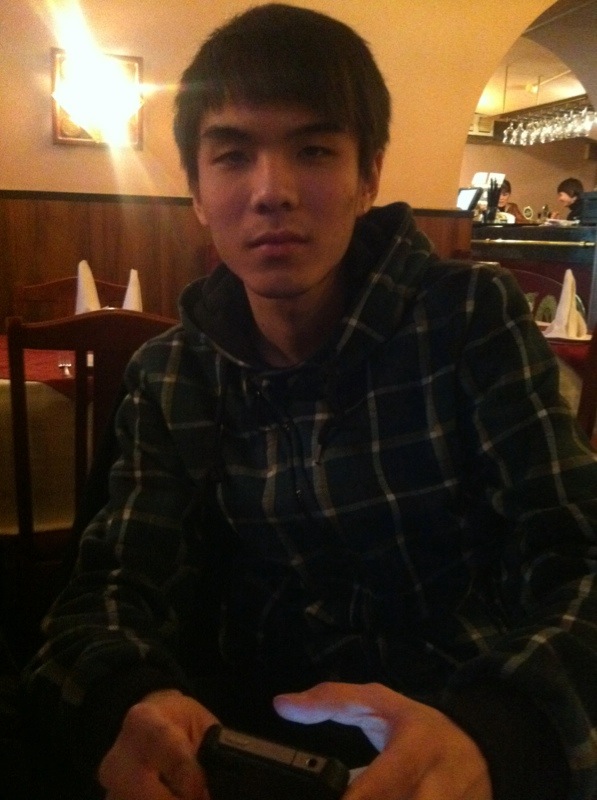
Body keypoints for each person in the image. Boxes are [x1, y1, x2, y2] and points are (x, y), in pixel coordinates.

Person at [22, 5, 597, 800]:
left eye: (315, 150)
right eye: (232, 155)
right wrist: (128, 702)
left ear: (368, 176)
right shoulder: (172, 374)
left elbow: (575, 553)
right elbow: (111, 590)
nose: (272, 192)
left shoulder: (467, 318)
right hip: (241, 749)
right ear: (196, 191)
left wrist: (500, 733)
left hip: (458, 727)